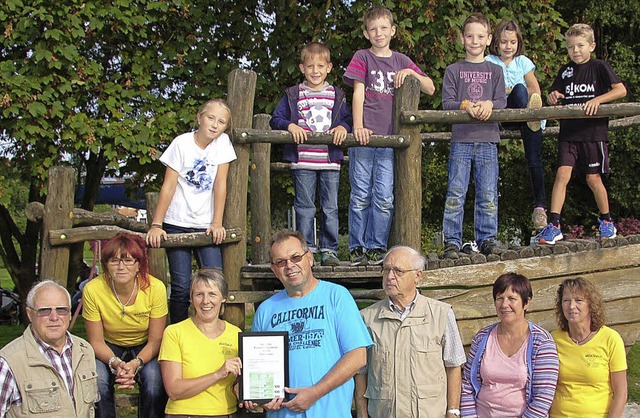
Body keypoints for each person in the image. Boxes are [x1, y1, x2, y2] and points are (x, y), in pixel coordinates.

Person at [244, 229, 373, 417]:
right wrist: (262, 399)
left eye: (295, 257)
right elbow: (256, 367)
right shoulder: (266, 310)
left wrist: (314, 393)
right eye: (281, 262)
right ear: (274, 269)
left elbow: (358, 356)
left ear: (310, 258)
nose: (289, 266)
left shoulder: (336, 296)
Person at [343, 5, 435, 266]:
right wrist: (358, 126)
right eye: (373, 29)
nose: (379, 33)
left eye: (384, 28)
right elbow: (358, 93)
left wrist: (412, 73)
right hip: (365, 138)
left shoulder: (400, 60)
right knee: (361, 195)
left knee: (384, 197)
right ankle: (357, 247)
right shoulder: (362, 57)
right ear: (366, 33)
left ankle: (376, 246)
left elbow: (430, 87)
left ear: (393, 31)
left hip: (390, 140)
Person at [146, 98, 237, 323]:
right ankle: (177, 333)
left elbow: (220, 184)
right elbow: (168, 185)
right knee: (180, 285)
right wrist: (157, 224)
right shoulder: (182, 143)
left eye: (222, 121)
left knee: (216, 281)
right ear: (199, 118)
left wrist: (217, 222)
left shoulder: (223, 143)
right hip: (177, 221)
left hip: (206, 224)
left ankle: (214, 329)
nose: (215, 125)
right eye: (211, 118)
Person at [537, 23, 627, 245]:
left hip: (592, 134)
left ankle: (607, 222)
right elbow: (554, 93)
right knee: (562, 175)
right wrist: (553, 96)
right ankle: (554, 225)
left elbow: (621, 90)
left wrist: (598, 99)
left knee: (593, 178)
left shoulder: (599, 67)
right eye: (570, 47)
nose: (575, 51)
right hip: (569, 133)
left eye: (580, 46)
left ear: (591, 46)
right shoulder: (565, 71)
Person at [355, 246, 466, 418]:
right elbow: (361, 372)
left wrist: (453, 411)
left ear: (418, 276)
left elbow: (453, 366)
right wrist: (362, 413)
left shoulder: (441, 314)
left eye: (398, 271)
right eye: (386, 270)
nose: (390, 277)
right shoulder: (366, 318)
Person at [270, 42, 352, 267]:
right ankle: (306, 252)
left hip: (329, 162)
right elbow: (275, 119)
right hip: (304, 161)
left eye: (320, 66)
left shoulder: (336, 95)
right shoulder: (293, 94)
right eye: (310, 66)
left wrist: (343, 128)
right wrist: (290, 126)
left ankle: (329, 249)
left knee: (330, 208)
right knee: (305, 208)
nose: (315, 71)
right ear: (301, 68)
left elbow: (347, 120)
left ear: (329, 68)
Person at [441, 13, 507, 259]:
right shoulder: (453, 70)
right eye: (470, 36)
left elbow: (502, 100)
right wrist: (465, 105)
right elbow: (447, 103)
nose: (475, 41)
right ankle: (452, 241)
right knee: (456, 193)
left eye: (480, 36)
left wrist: (491, 104)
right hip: (461, 141)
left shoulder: (496, 71)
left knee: (488, 193)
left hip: (488, 139)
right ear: (462, 39)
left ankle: (487, 238)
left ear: (489, 39)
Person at [82, 233, 168, 418]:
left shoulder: (156, 288)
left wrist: (136, 363)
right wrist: (116, 362)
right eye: (114, 261)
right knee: (97, 380)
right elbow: (95, 341)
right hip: (108, 344)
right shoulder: (93, 289)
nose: (121, 267)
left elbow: (156, 340)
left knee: (154, 381)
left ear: (139, 265)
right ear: (106, 265)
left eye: (128, 261)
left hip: (145, 345)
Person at [460, 273, 559, 417]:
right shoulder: (482, 338)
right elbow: (468, 384)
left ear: (526, 303)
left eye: (512, 298)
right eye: (499, 298)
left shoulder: (542, 342)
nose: (504, 305)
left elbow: (543, 397)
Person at [0, 280, 98, 417]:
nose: (54, 317)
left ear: (70, 313)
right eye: (44, 311)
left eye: (61, 310)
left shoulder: (85, 351)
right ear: (29, 314)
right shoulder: (9, 362)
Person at [486, 19, 547, 230]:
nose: (508, 46)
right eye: (504, 42)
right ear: (496, 42)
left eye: (512, 42)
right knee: (519, 89)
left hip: (524, 115)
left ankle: (540, 207)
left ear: (517, 42)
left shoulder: (523, 62)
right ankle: (529, 117)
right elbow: (491, 91)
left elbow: (535, 89)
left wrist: (517, 93)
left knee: (534, 159)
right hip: (504, 112)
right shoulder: (490, 62)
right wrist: (509, 92)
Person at [159, 269, 242, 417]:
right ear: (191, 298)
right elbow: (173, 390)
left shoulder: (236, 334)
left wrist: (246, 391)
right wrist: (217, 374)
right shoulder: (174, 333)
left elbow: (238, 383)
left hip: (226, 414)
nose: (205, 301)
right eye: (199, 294)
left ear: (223, 297)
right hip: (184, 414)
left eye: (212, 294)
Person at [550, 277, 627, 417]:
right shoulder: (553, 340)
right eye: (566, 301)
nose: (571, 306)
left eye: (578, 300)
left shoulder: (611, 339)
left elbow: (621, 393)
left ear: (591, 304)